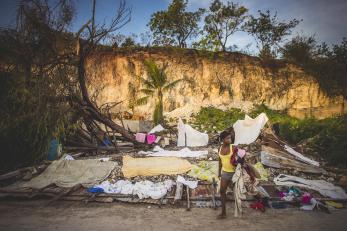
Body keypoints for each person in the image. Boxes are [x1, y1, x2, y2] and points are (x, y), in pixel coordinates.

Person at [217, 129, 237, 219]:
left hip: (235, 173)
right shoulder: (219, 148)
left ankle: (260, 200)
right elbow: (220, 161)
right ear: (222, 140)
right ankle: (223, 212)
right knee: (222, 191)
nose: (230, 140)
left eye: (230, 138)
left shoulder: (234, 147)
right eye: (228, 138)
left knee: (242, 189)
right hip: (225, 173)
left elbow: (241, 158)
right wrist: (219, 172)